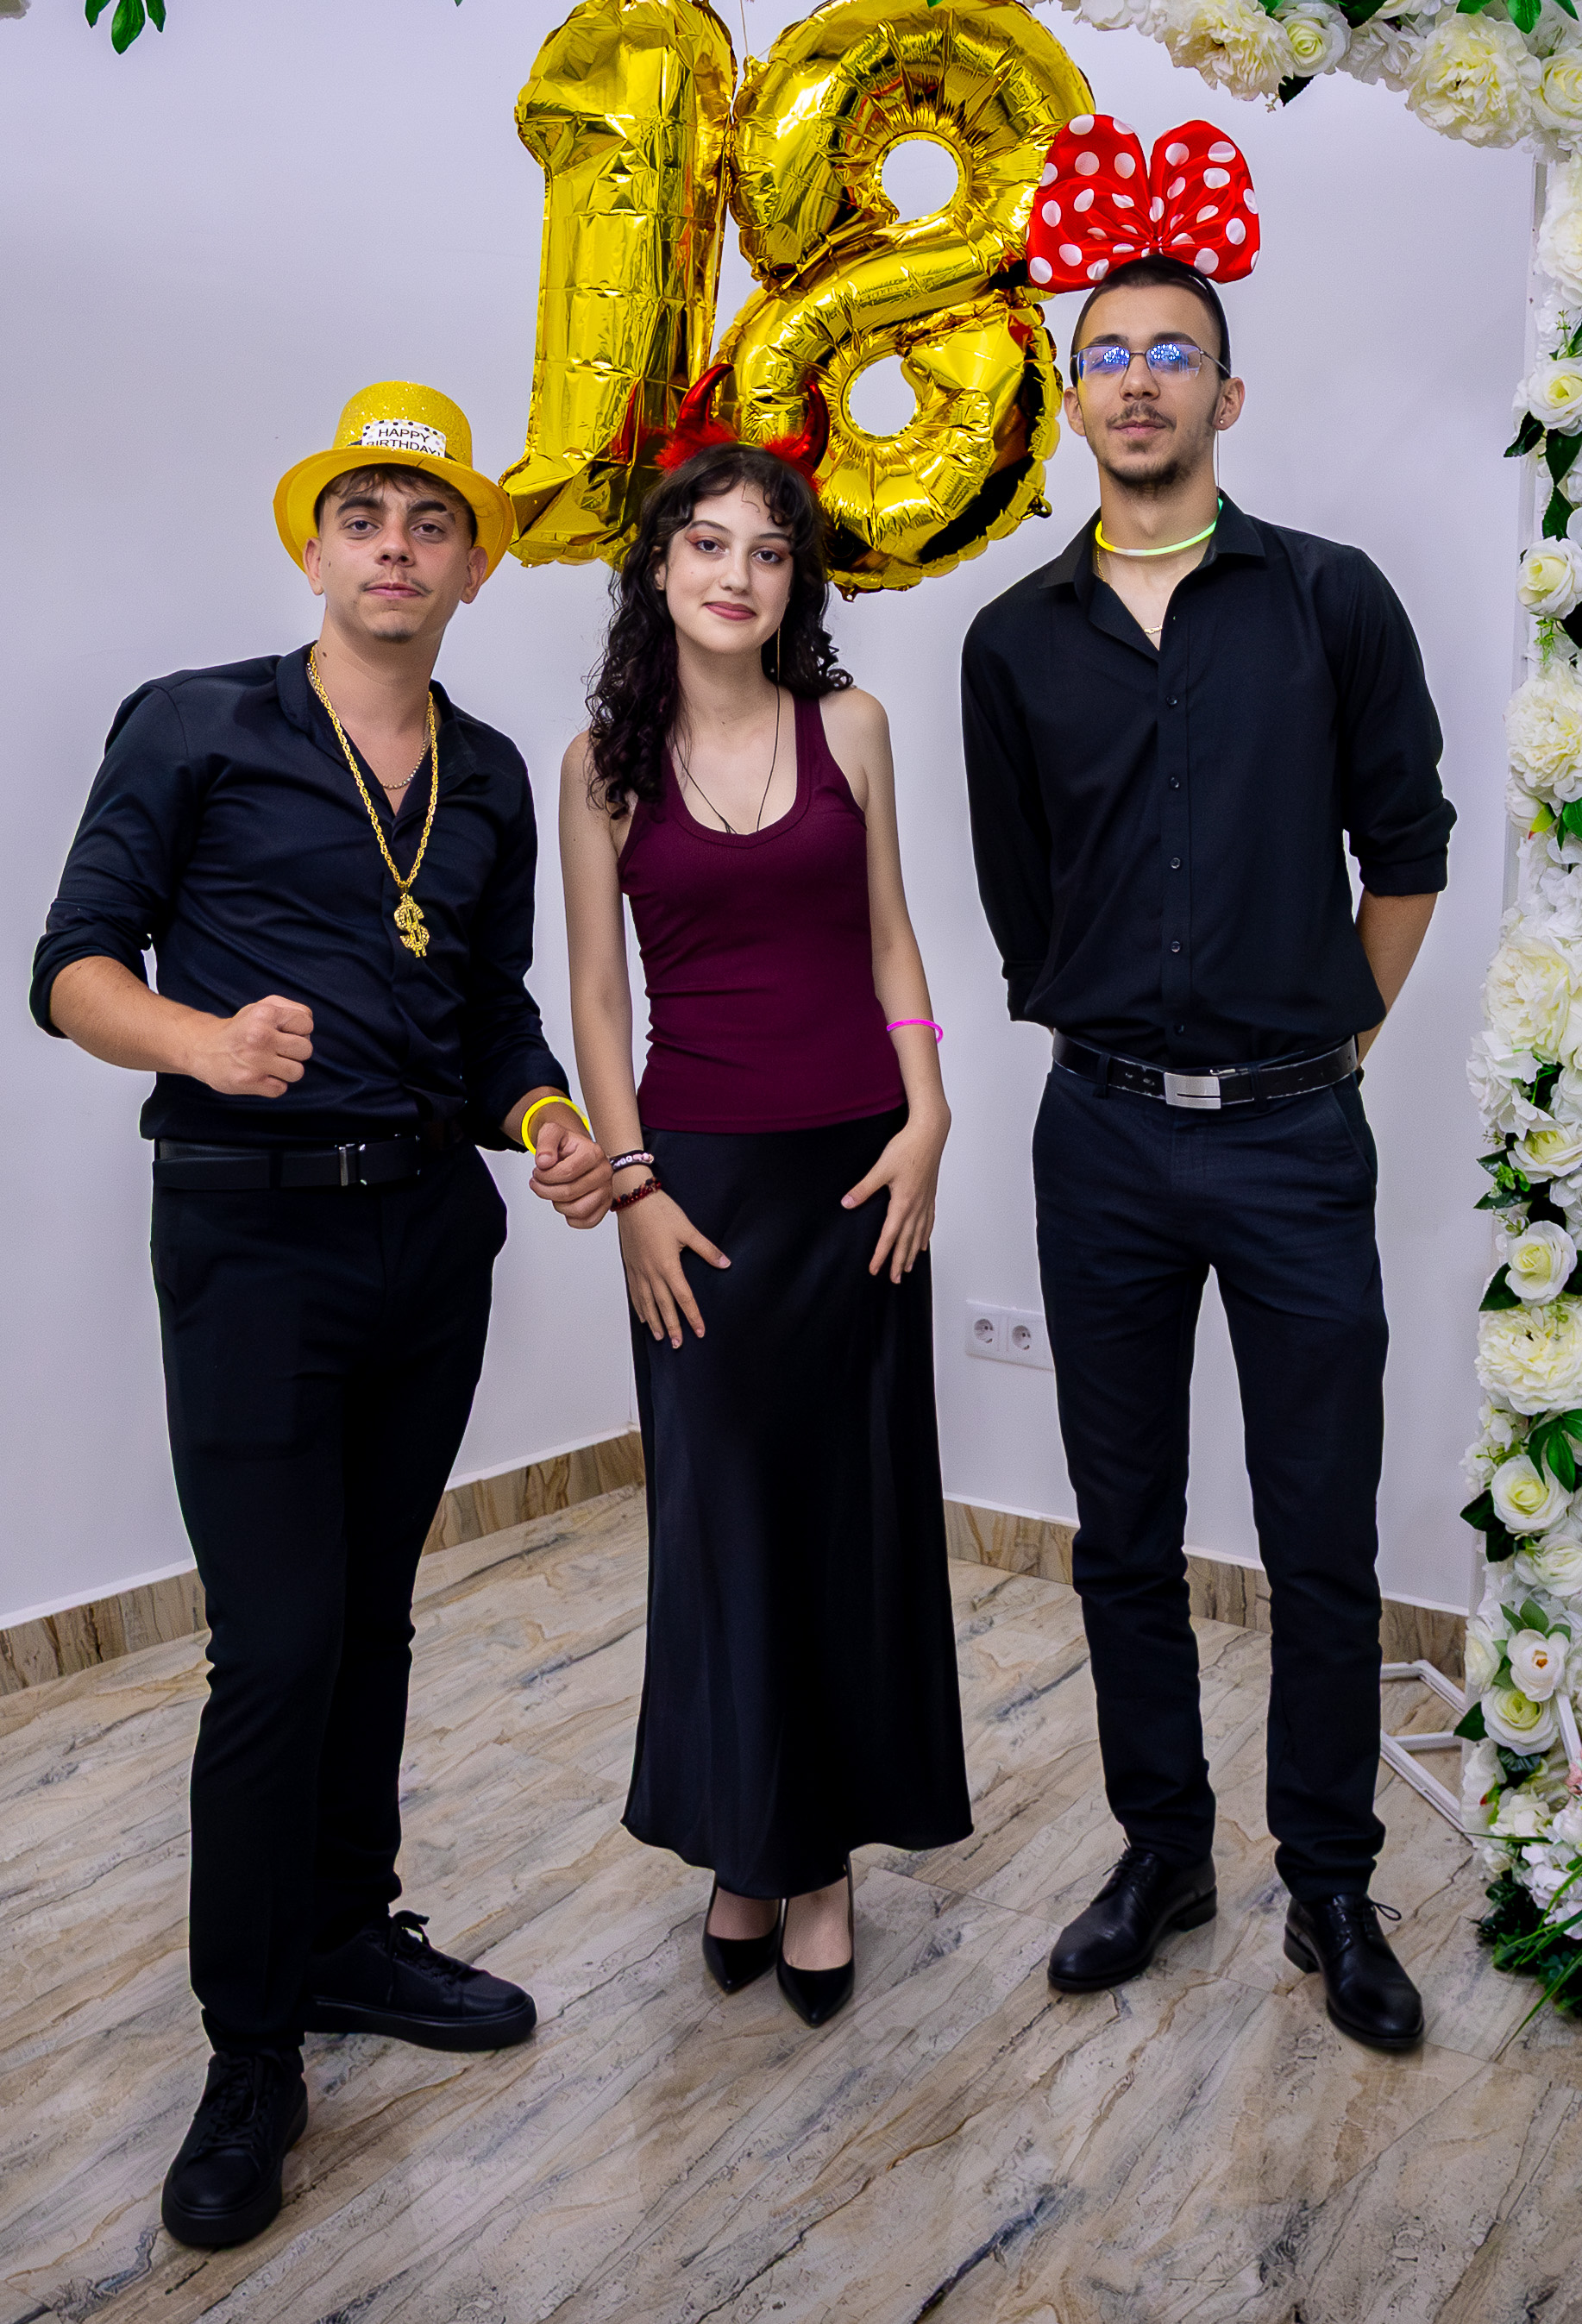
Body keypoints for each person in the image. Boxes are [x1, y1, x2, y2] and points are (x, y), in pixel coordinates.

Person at [31, 381, 618, 2250]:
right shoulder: (194, 721)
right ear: (313, 545)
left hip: (429, 1237)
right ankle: (249, 2048)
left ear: (474, 566)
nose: (395, 546)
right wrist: (202, 1042)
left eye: (431, 521)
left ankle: (352, 1933)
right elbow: (70, 968)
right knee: (275, 1649)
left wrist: (542, 1118)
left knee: (371, 1615)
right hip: (249, 1238)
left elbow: (490, 1014)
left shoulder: (493, 771)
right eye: (363, 514)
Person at [958, 254, 1454, 2052]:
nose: (1139, 378)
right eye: (1106, 354)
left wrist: (1337, 1039)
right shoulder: (1011, 641)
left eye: (1174, 351)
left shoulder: (1330, 598)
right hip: (1098, 1136)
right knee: (1124, 1528)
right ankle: (1162, 1851)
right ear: (1074, 399)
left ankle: (1331, 1881)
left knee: (1321, 1530)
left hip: (1294, 1139)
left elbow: (1407, 849)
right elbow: (1022, 896)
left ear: (1225, 399)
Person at [549, 443, 972, 2032]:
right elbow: (600, 998)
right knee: (721, 1524)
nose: (737, 573)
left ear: (798, 583)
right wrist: (634, 1189)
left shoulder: (851, 727)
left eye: (770, 551)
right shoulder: (599, 764)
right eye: (708, 543)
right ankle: (745, 1840)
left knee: (847, 1519)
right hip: (700, 1190)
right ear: (658, 568)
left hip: (860, 1174)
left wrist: (929, 1111)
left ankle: (820, 1866)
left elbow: (890, 936)